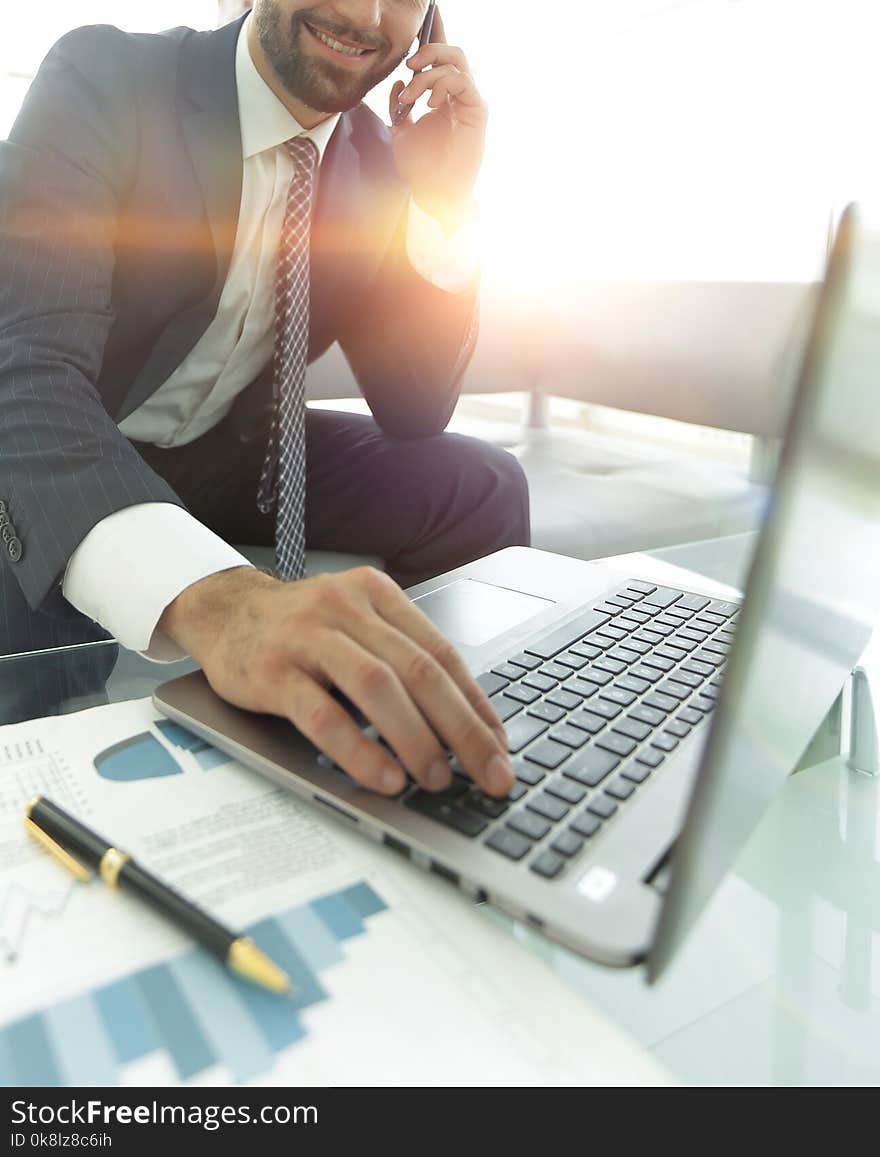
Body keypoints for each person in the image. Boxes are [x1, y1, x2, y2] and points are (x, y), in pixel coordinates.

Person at [0, 2, 527, 793]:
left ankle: (450, 724)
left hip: (228, 452)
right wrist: (226, 606)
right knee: (44, 677)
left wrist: (442, 206)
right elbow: (29, 371)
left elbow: (414, 407)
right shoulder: (104, 77)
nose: (364, 13)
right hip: (72, 438)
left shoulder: (382, 165)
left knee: (481, 485)